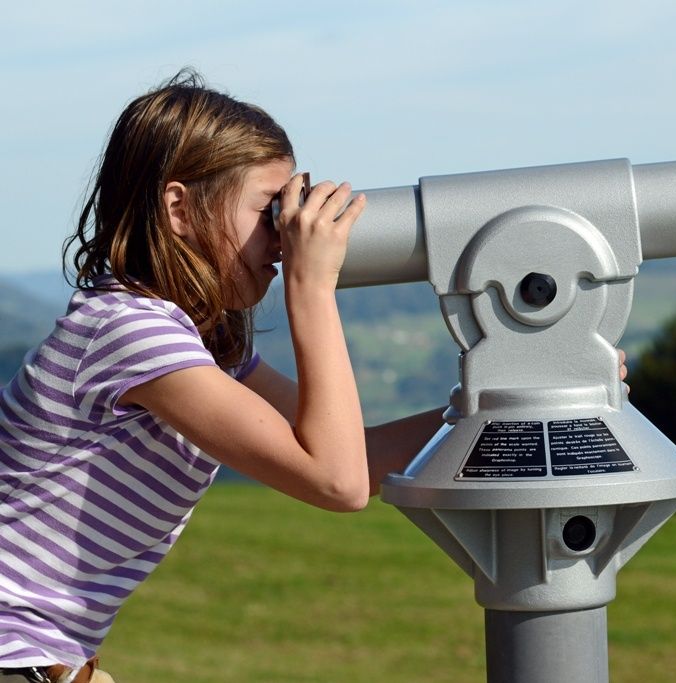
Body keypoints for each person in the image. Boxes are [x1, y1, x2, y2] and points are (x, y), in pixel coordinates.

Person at [0, 69, 444, 683]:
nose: (285, 238)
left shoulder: (199, 343)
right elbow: (336, 484)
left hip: (42, 658)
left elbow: (355, 459)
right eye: (269, 211)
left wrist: (500, 398)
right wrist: (312, 289)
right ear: (179, 207)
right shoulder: (130, 333)